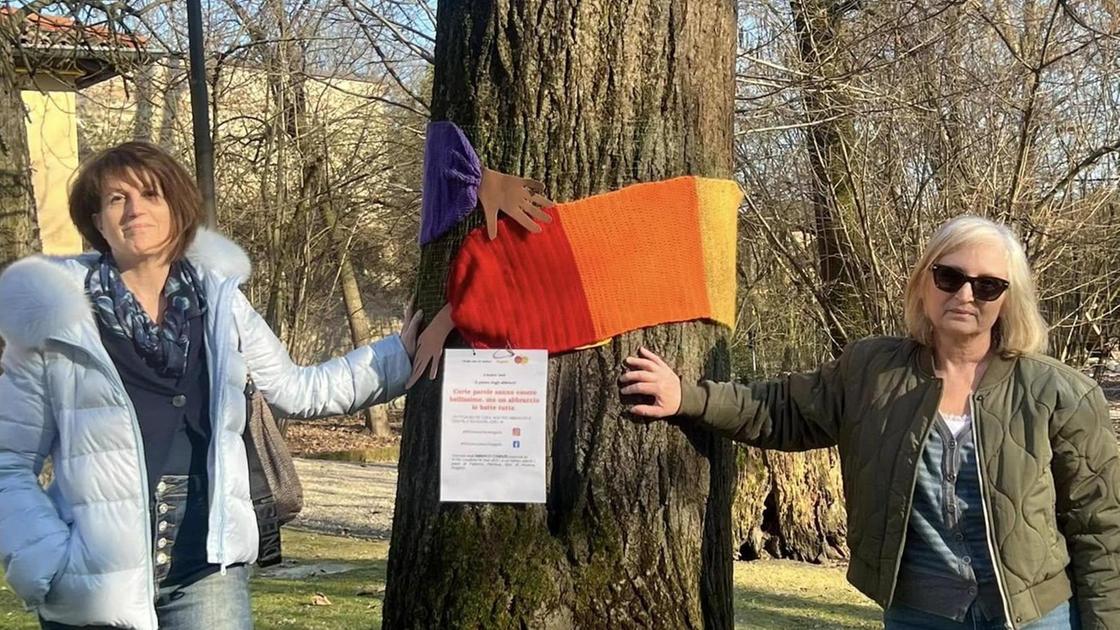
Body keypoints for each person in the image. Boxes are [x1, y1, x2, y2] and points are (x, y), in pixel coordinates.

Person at [620, 216, 1120, 629]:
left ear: (1007, 300)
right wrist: (687, 396)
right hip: (917, 615)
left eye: (988, 285)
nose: (966, 294)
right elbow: (780, 410)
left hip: (1034, 617)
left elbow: (1100, 529)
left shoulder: (1060, 393)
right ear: (925, 281)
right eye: (950, 277)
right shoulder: (873, 372)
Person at [0, 141, 422, 630]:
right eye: (117, 199)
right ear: (97, 222)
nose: (135, 209)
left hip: (207, 569)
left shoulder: (221, 306)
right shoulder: (56, 321)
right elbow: (8, 461)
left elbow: (297, 389)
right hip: (95, 577)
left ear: (177, 210)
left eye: (151, 195)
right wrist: (46, 564)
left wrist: (399, 356)